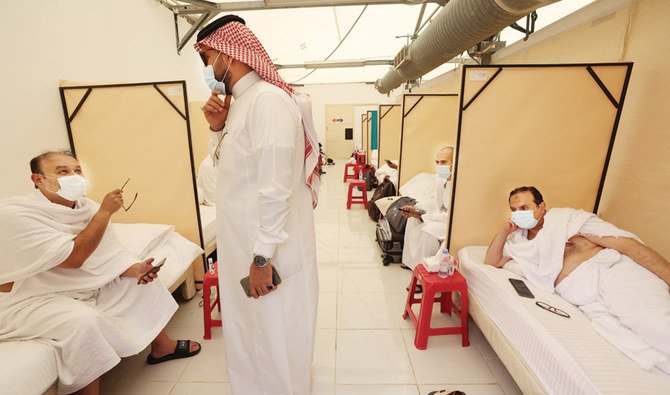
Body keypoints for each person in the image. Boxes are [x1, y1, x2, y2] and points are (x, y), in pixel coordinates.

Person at [0, 151, 201, 395]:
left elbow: (108, 256)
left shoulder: (87, 208)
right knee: (84, 322)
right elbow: (74, 259)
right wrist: (105, 213)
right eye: (62, 172)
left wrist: (137, 269)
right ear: (38, 180)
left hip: (74, 286)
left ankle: (162, 347)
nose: (74, 177)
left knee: (138, 283)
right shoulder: (16, 215)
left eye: (77, 171)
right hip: (27, 298)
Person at [194, 15, 320, 395]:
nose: (207, 70)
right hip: (243, 249)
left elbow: (275, 189)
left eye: (208, 58)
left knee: (275, 338)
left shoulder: (268, 101)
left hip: (267, 253)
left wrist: (262, 258)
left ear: (229, 54)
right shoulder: (243, 105)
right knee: (253, 335)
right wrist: (218, 130)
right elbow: (228, 176)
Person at [484, 186, 670, 373]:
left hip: (611, 274)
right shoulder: (519, 241)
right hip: (588, 299)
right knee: (640, 345)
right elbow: (492, 261)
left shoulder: (566, 221)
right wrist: (503, 231)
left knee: (655, 324)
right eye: (514, 210)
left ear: (541, 207)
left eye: (524, 208)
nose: (518, 214)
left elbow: (626, 244)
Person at [400, 147, 454, 271]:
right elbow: (433, 201)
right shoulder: (441, 181)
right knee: (411, 220)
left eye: (444, 162)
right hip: (439, 216)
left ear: (454, 163)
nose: (440, 166)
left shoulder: (459, 185)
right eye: (437, 162)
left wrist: (423, 216)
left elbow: (453, 215)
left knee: (428, 230)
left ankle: (422, 273)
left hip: (450, 222)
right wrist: (416, 209)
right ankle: (410, 262)